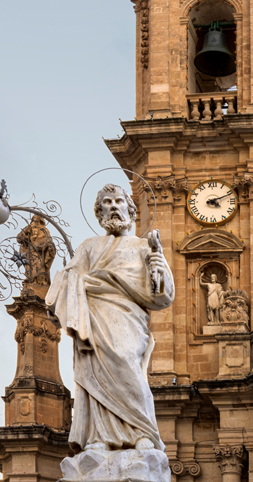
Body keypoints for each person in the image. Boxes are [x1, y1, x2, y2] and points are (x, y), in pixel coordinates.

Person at [47, 184, 174, 451]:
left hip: (127, 318)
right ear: (99, 211)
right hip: (93, 318)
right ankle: (99, 437)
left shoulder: (143, 246)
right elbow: (68, 277)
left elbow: (162, 296)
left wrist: (159, 269)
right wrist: (70, 284)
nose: (113, 206)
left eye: (118, 201)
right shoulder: (89, 246)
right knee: (95, 371)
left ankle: (143, 433)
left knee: (126, 360)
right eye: (107, 202)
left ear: (130, 209)